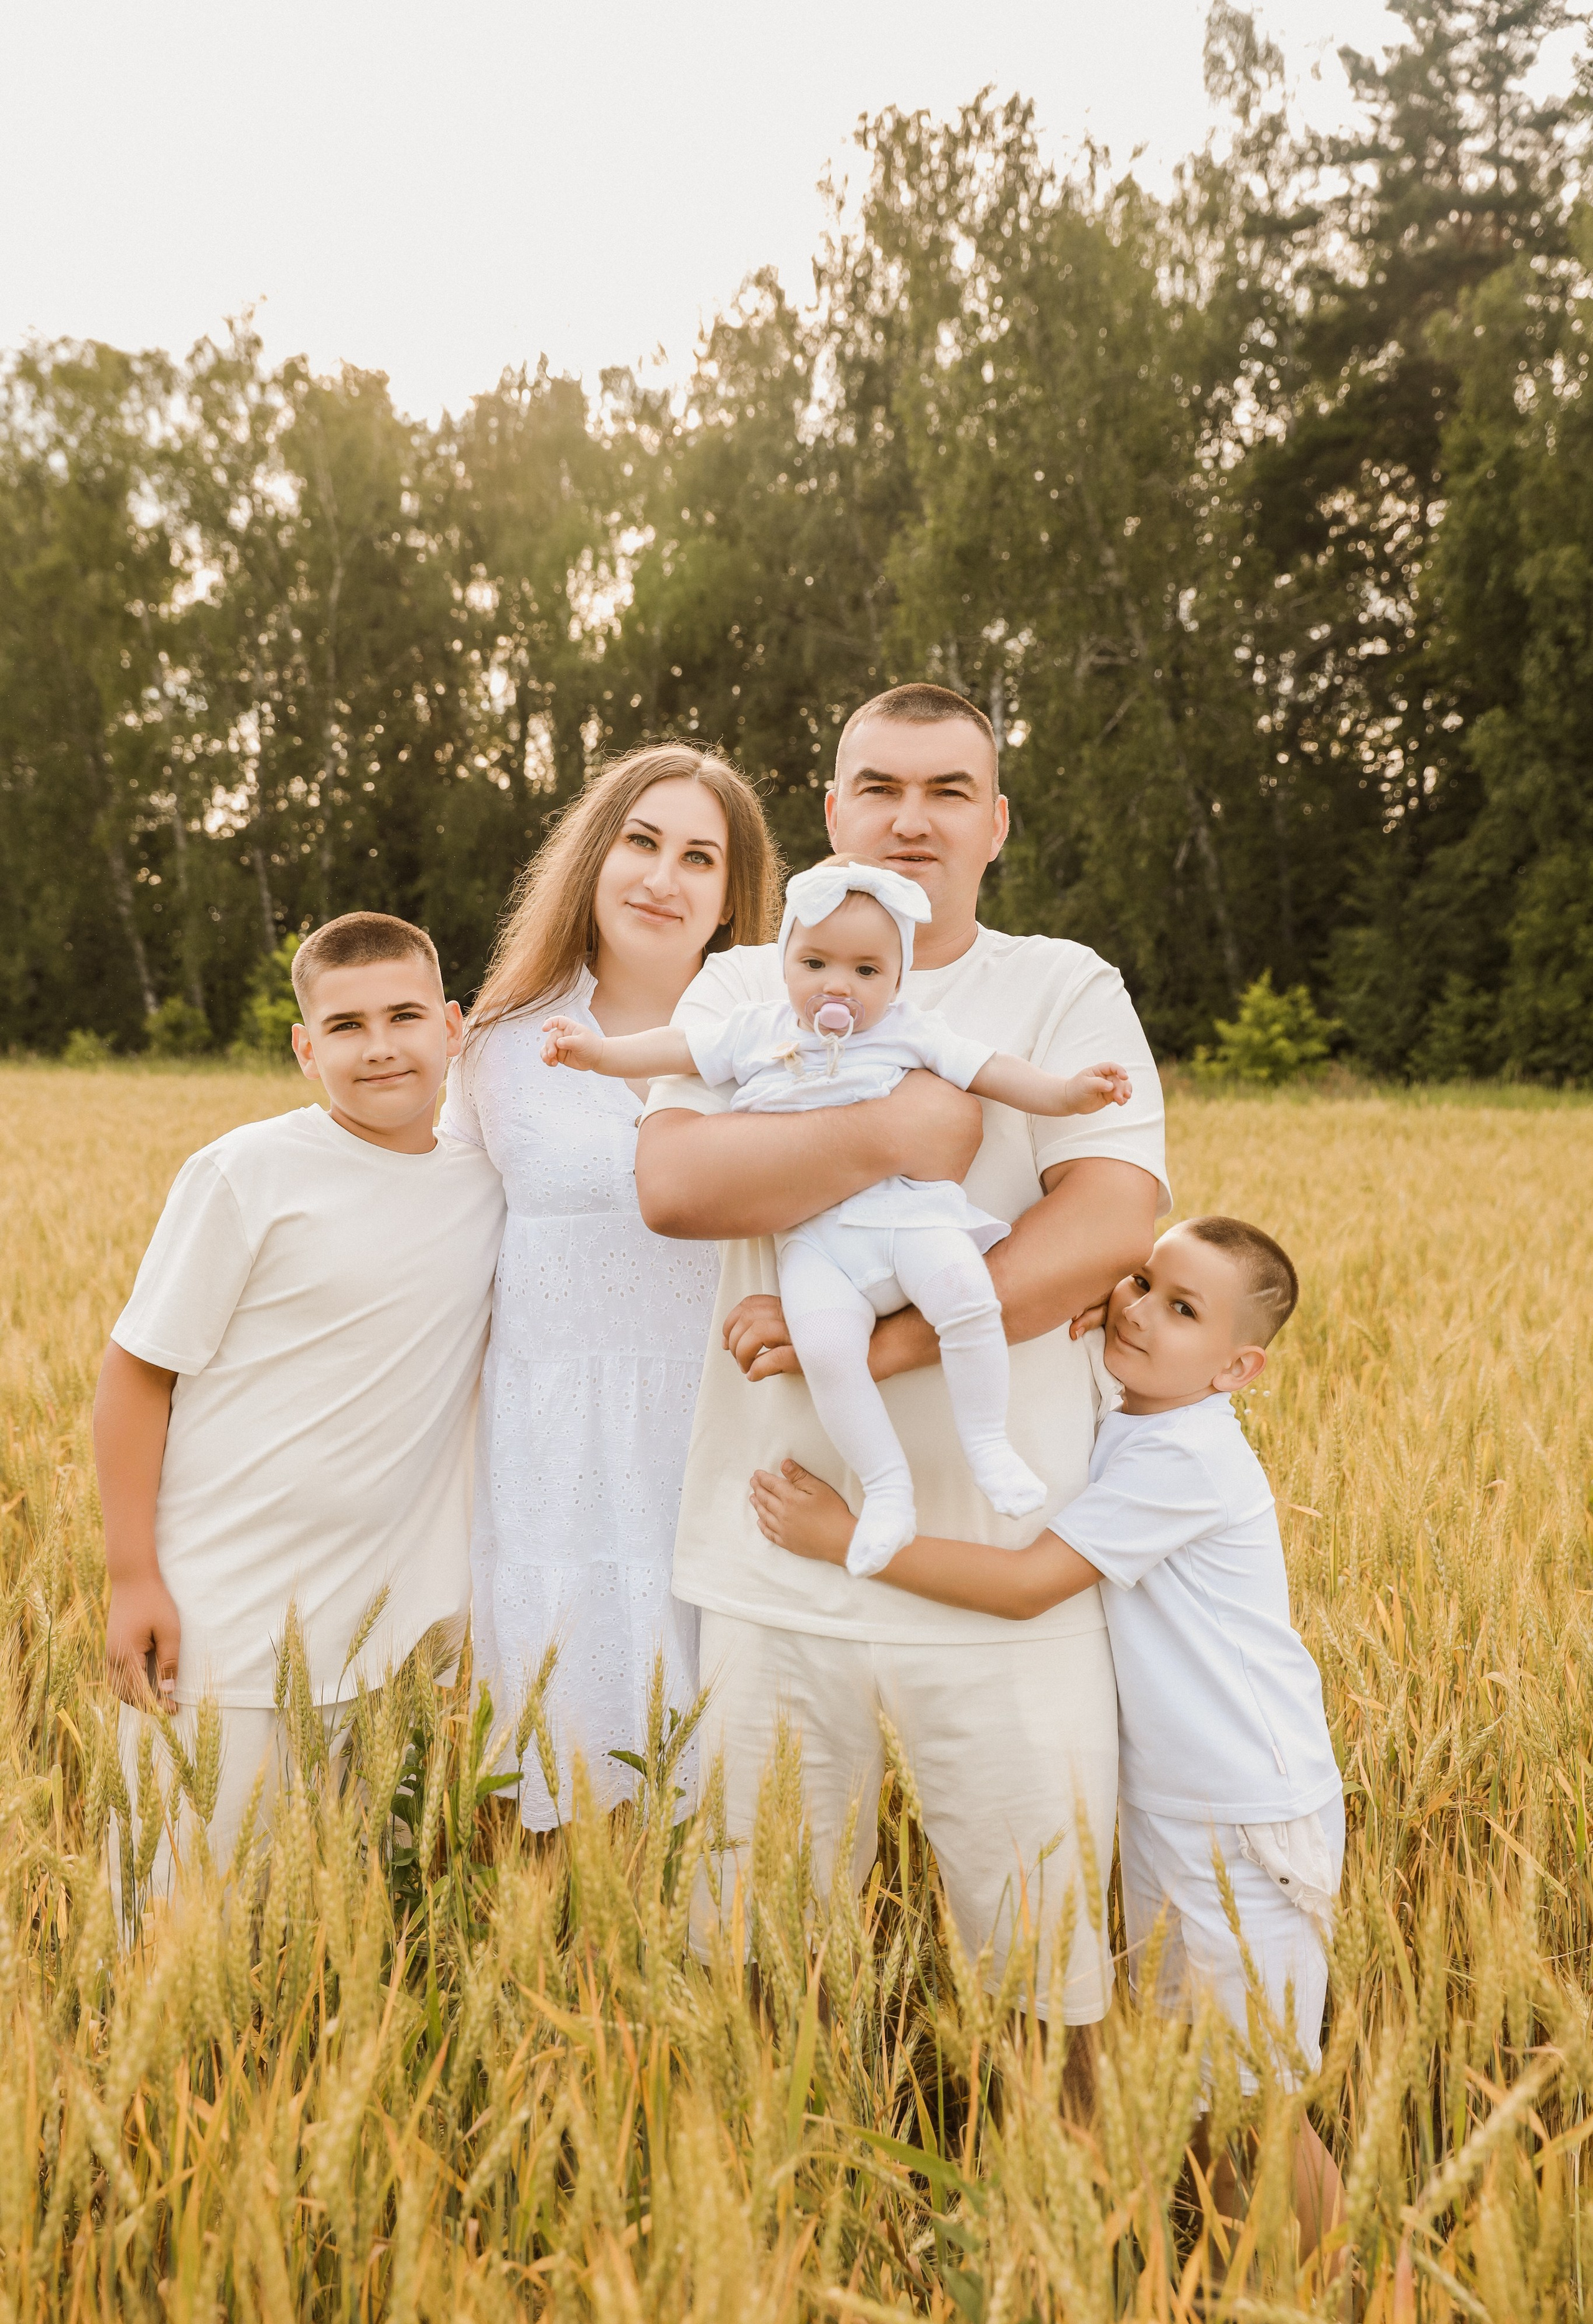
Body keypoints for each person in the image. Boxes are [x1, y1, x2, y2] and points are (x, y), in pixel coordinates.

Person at [633, 683, 1168, 2035]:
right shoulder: (744, 983)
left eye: (947, 792)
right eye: (879, 787)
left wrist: (877, 1347)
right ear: (832, 815)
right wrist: (899, 1132)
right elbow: (677, 1186)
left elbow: (1111, 1218)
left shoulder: (1061, 986)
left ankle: (1052, 2182)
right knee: (759, 1986)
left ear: (997, 823)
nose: (911, 818)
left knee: (1049, 1994)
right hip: (772, 1564)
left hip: (1006, 1573)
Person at [750, 1214, 1347, 2265]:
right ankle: (1242, 2305)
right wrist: (1079, 1318)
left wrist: (847, 1539)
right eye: (1141, 1281)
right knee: (1198, 2091)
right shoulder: (1140, 1416)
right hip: (1179, 1810)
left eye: (1182, 1309)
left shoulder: (1189, 1458)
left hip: (1245, 1820)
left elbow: (1030, 1585)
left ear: (1238, 1370)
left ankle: (1364, 2308)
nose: (1138, 1310)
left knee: (1256, 2104)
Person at [543, 854, 1133, 1575]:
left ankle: (988, 1446)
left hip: (910, 1217)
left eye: (866, 971)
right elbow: (676, 1047)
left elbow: (994, 1072)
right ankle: (887, 1490)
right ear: (786, 961)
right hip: (818, 1243)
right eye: (815, 962)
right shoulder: (754, 1028)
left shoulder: (911, 1030)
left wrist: (1067, 1094)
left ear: (896, 980)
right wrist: (598, 1053)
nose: (838, 985)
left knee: (967, 1298)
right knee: (826, 1351)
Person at [95, 912, 505, 1907]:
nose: (380, 1047)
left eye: (405, 1016)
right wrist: (132, 1576)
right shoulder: (248, 1173)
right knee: (175, 1928)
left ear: (454, 1027)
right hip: (226, 1632)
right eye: (346, 1025)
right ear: (305, 1048)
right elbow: (137, 1374)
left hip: (393, 1653)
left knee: (346, 1934)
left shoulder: (493, 1184)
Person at [436, 745, 784, 1829]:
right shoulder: (496, 1047)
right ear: (595, 856)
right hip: (552, 1451)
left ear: (732, 899)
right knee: (557, 1773)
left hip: (723, 1433)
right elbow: (437, 1236)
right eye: (641, 842)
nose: (662, 878)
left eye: (699, 858)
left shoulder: (780, 1052)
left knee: (732, 1797)